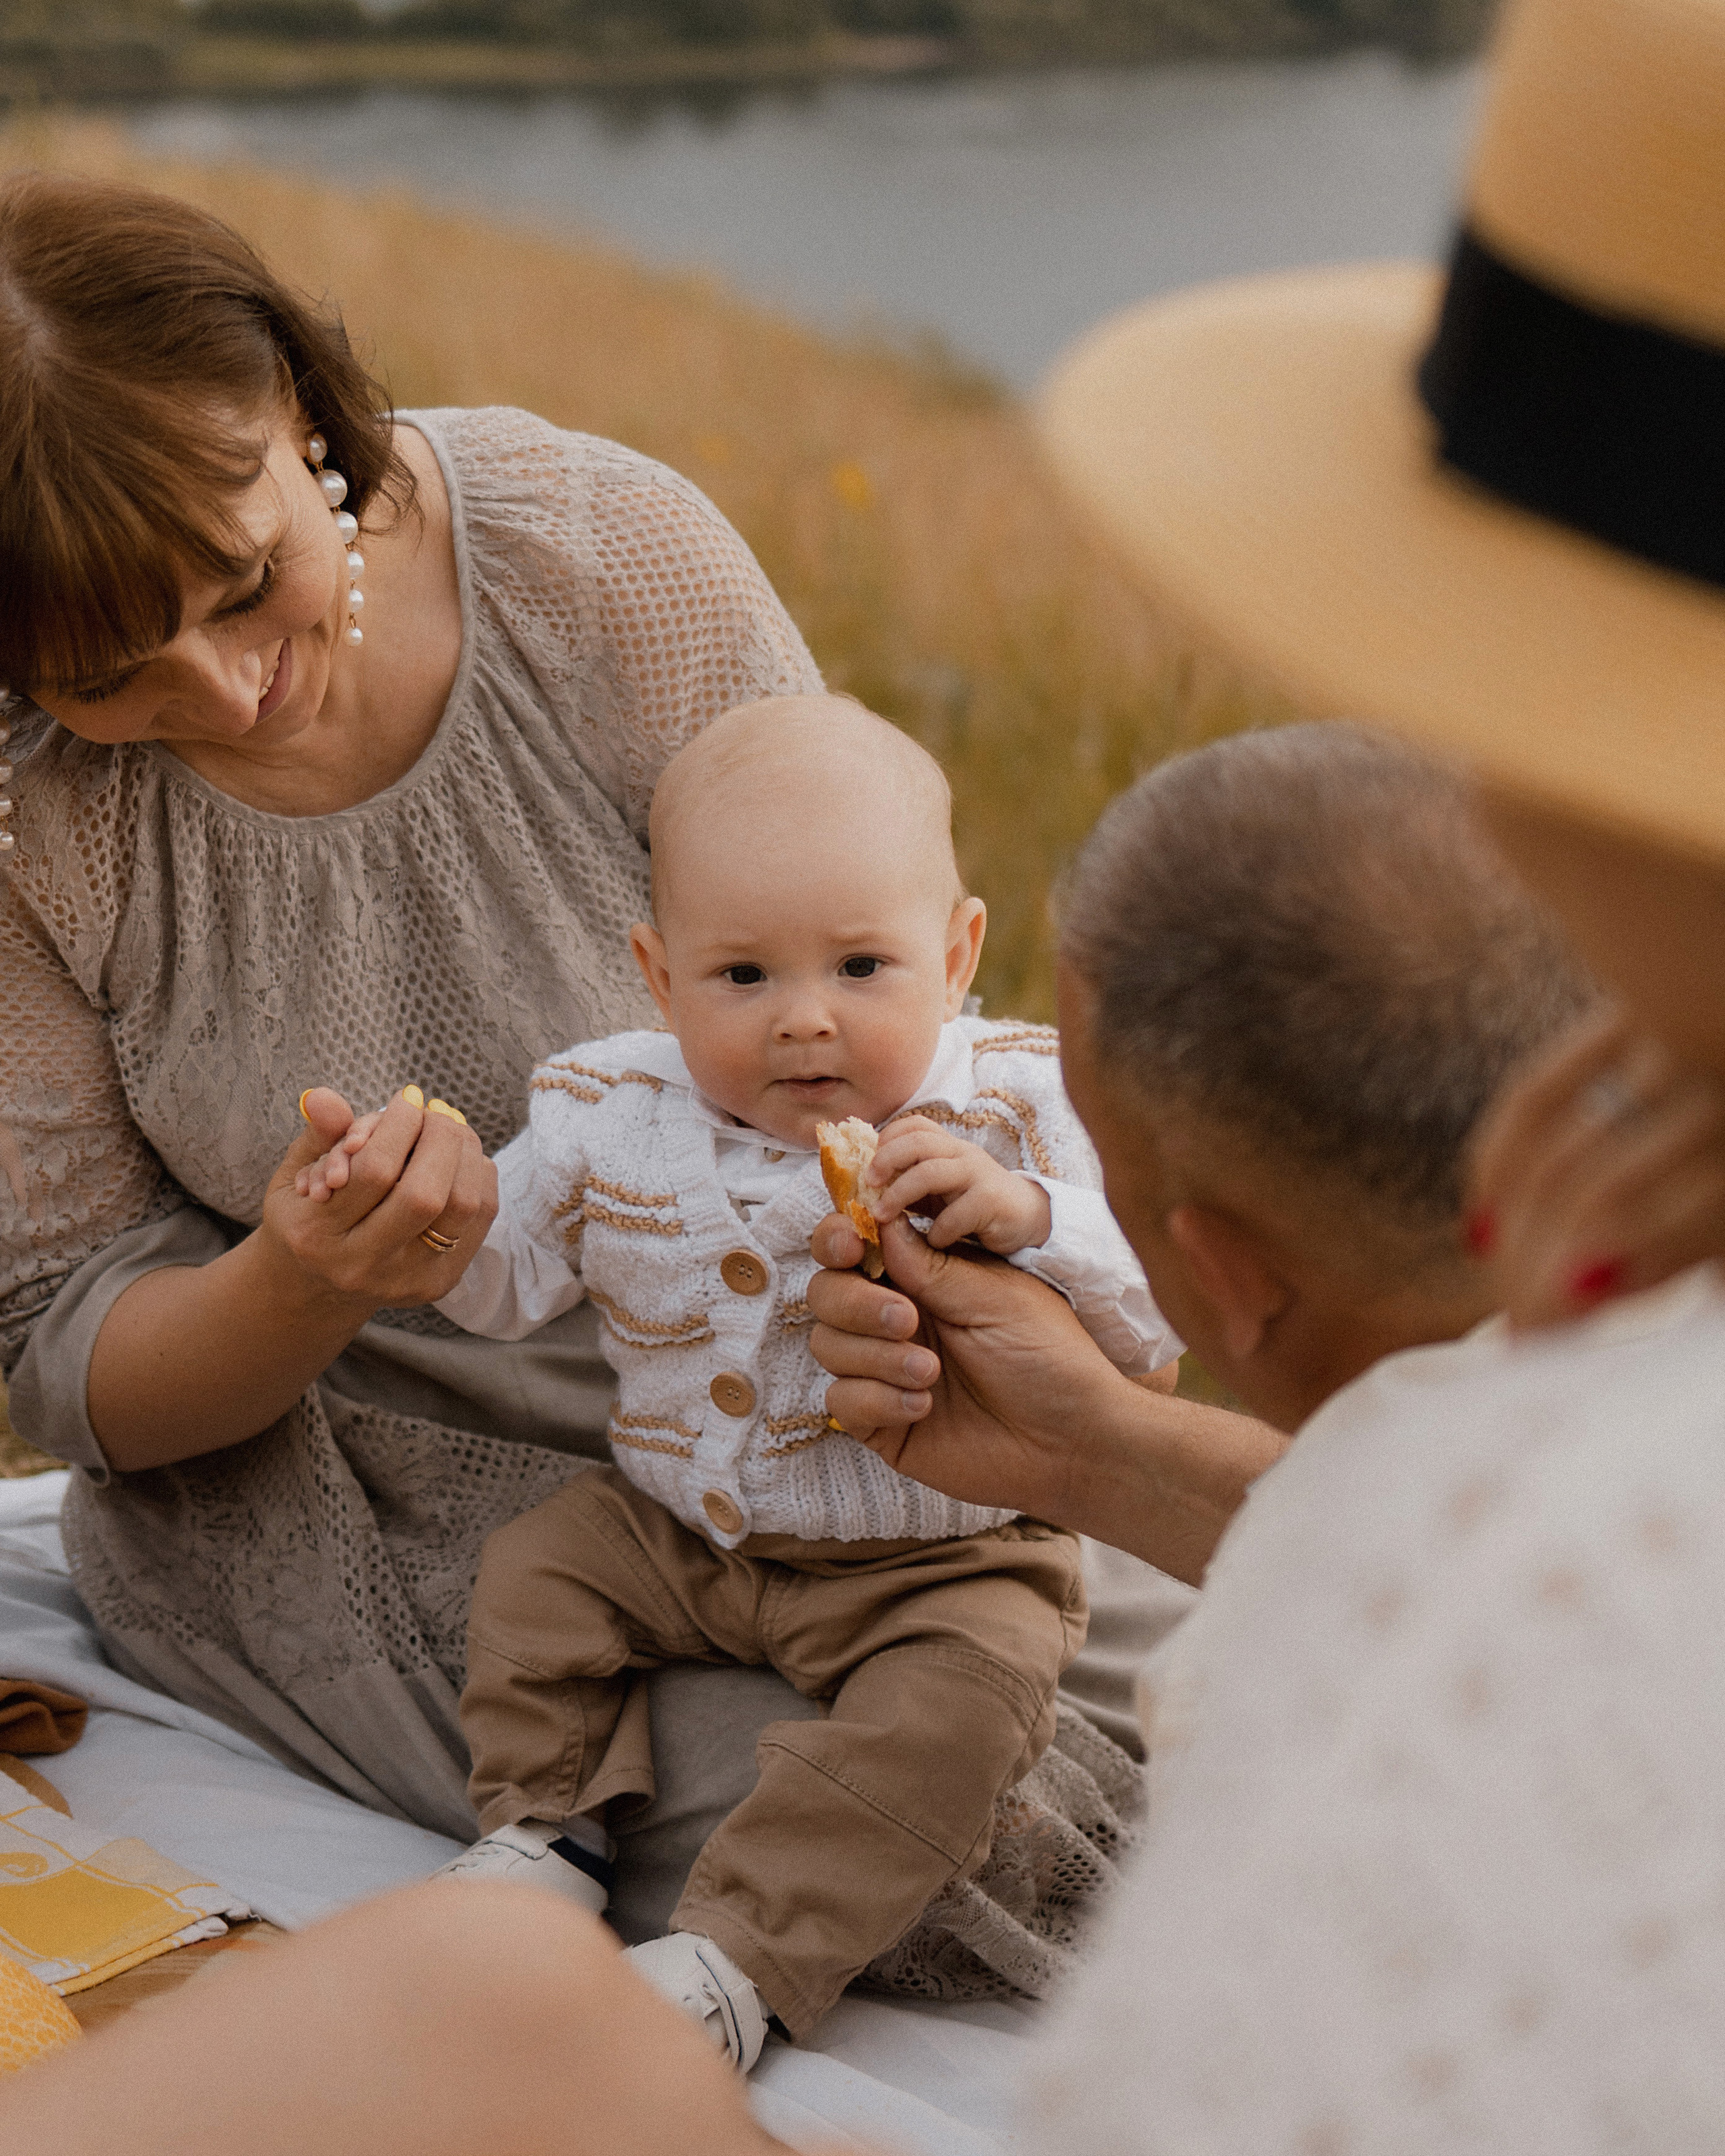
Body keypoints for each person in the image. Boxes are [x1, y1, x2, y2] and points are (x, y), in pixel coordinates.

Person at [0, 164, 829, 1902]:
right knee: (832, 1817)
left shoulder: (597, 561)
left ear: (302, 409)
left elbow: (868, 991)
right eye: (106, 676)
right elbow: (67, 1362)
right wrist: (303, 1283)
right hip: (343, 1489)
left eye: (241, 584)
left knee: (1063, 1690)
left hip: (780, 1389)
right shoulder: (30, 821)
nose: (221, 695)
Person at [298, 694, 1174, 2062]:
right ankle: (546, 1826)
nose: (802, 1024)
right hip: (680, 1528)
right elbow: (507, 1281)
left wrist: (1033, 1218)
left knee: (965, 1713)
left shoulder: (1013, 1106)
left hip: (943, 1556)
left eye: (862, 967)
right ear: (657, 976)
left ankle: (736, 1956)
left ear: (957, 952)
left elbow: (1154, 1306)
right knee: (535, 1574)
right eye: (743, 977)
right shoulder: (608, 1111)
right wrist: (430, 1236)